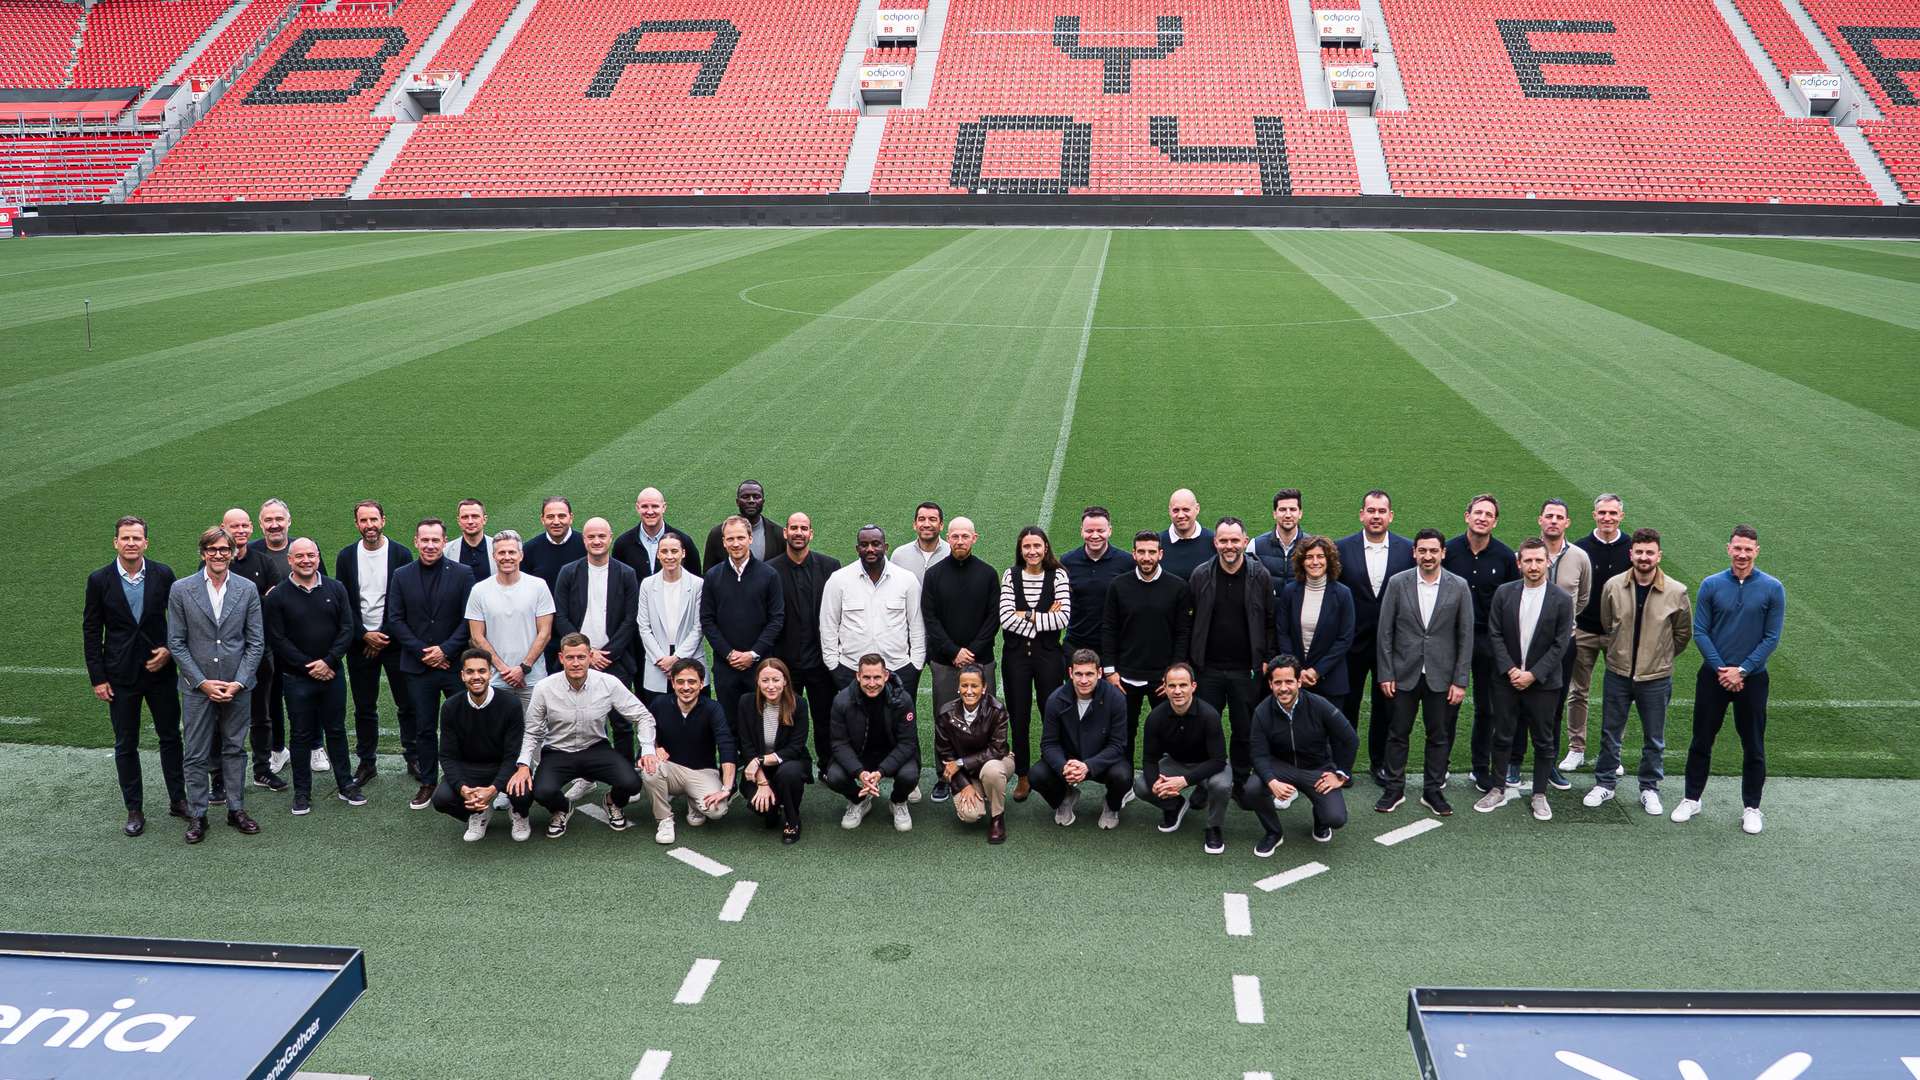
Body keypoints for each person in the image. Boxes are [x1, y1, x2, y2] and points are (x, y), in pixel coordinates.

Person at [1675, 525, 1783, 835]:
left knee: (1754, 745)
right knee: (1701, 740)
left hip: (1753, 680)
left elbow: (1771, 637)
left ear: (1756, 551)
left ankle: (1752, 807)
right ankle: (1691, 799)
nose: (1742, 554)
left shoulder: (1773, 588)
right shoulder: (1711, 585)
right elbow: (1700, 632)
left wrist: (1743, 670)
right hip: (1714, 678)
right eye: (1738, 548)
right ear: (1728, 549)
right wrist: (1722, 669)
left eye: (1748, 549)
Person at [84, 515, 184, 836]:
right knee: (126, 743)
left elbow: (179, 619)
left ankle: (178, 799)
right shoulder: (99, 580)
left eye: (136, 538)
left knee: (171, 738)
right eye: (125, 538)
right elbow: (91, 630)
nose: (131, 543)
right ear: (116, 542)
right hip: (120, 676)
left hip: (160, 673)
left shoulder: (163, 574)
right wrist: (98, 678)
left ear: (146, 543)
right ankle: (134, 808)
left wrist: (169, 649)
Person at [167, 525, 266, 843]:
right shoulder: (181, 589)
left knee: (235, 749)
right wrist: (201, 682)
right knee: (195, 753)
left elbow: (256, 642)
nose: (219, 555)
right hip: (198, 689)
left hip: (238, 687)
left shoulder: (247, 589)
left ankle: (236, 809)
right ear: (203, 553)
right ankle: (198, 814)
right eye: (212, 549)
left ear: (233, 553)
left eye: (224, 549)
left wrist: (239, 682)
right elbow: (176, 642)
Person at [1583, 528, 1691, 816]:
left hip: (1655, 677)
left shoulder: (1676, 591)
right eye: (1639, 552)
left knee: (1654, 738)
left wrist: (1660, 657)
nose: (1644, 557)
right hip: (1618, 673)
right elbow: (1608, 623)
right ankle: (1605, 783)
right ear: (1631, 554)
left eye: (1649, 552)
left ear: (1659, 555)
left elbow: (1682, 634)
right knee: (1610, 733)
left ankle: (1649, 788)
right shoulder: (1613, 585)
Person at [508, 634, 655, 839]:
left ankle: (612, 802)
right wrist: (523, 764)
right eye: (570, 657)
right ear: (561, 658)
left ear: (590, 657)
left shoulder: (608, 682)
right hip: (558, 751)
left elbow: (643, 716)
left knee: (632, 783)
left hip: (595, 747)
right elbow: (532, 730)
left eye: (581, 657)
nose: (576, 663)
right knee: (542, 792)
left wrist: (648, 749)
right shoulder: (544, 687)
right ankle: (562, 808)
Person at [1375, 528, 1472, 816]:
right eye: (1422, 551)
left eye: (1433, 551)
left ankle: (1433, 791)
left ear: (1443, 553)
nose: (1427, 556)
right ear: (1414, 552)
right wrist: (1386, 673)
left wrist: (1460, 680)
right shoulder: (1398, 583)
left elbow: (1465, 636)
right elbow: (1385, 632)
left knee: (1439, 736)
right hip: (1403, 674)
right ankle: (1394, 789)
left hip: (1442, 677)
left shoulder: (1459, 586)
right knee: (1397, 734)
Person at [262, 538, 363, 815]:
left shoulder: (336, 588)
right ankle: (302, 793)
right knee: (301, 734)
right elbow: (278, 639)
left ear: (318, 557)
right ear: (290, 560)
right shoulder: (278, 596)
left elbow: (346, 628)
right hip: (297, 679)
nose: (306, 560)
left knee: (336, 730)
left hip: (332, 675)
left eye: (311, 555)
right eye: (300, 556)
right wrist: (309, 666)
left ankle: (346, 784)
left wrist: (329, 661)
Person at [1475, 539, 1574, 820]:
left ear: (1547, 563)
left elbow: (1560, 644)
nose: (1533, 566)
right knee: (1502, 735)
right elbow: (1494, 633)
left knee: (1543, 740)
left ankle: (1540, 794)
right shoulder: (1504, 593)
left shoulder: (1562, 599)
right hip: (1506, 680)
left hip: (1543, 684)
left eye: (1538, 560)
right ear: (1519, 563)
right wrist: (1511, 670)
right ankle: (1497, 788)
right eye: (1528, 561)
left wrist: (1533, 674)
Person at [388, 517, 476, 811]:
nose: (429, 545)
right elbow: (395, 619)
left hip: (453, 665)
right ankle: (428, 782)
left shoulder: (463, 573)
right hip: (418, 667)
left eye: (435, 540)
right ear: (416, 541)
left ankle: (465, 780)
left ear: (444, 542)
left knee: (463, 725)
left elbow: (469, 618)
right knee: (424, 728)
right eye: (424, 540)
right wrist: (423, 651)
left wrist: (445, 650)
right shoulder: (401, 575)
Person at [1188, 517, 1276, 795]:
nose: (1229, 546)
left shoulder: (1260, 575)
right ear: (1215, 542)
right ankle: (1204, 783)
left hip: (1245, 670)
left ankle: (1239, 781)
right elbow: (1189, 622)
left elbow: (1270, 621)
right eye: (1223, 540)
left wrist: (1266, 658)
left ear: (1245, 542)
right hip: (1207, 669)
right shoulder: (1200, 575)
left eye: (1235, 540)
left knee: (1244, 729)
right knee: (1205, 728)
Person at [333, 499, 414, 788]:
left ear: (383, 520)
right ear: (357, 524)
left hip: (394, 642)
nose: (370, 525)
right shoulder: (346, 556)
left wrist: (383, 634)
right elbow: (343, 602)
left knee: (406, 703)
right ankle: (367, 762)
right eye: (364, 520)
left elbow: (404, 600)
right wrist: (364, 634)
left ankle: (413, 756)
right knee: (364, 706)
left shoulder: (401, 554)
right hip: (360, 644)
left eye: (374, 519)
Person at [1335, 490, 1414, 783]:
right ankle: (1343, 765)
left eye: (1382, 511)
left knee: (1386, 707)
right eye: (1371, 511)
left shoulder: (1408, 550)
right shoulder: (1342, 549)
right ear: (1361, 515)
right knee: (1347, 706)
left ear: (1391, 516)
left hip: (1391, 646)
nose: (1376, 516)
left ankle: (1380, 763)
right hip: (1352, 644)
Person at [1443, 493, 1519, 793]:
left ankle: (1479, 768)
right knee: (1447, 704)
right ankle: (1441, 766)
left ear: (1495, 522)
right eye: (1478, 512)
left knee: (1487, 708)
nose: (1482, 518)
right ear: (1467, 516)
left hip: (1489, 640)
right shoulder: (1448, 551)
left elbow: (1512, 601)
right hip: (1452, 638)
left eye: (1489, 514)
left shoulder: (1505, 556)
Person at [1243, 657, 1357, 855]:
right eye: (1278, 682)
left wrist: (1341, 774)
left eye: (1289, 681)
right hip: (1281, 767)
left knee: (1335, 818)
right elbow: (1258, 754)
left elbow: (1350, 739)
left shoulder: (1319, 705)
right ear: (1270, 684)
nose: (1283, 688)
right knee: (1252, 787)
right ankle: (1274, 833)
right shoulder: (1262, 712)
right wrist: (1271, 782)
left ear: (1299, 682)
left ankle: (1321, 822)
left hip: (1316, 768)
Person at [1101, 530, 1193, 763]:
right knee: (1124, 733)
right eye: (1141, 552)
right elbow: (1109, 629)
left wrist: (1172, 675)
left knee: (1166, 732)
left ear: (1161, 554)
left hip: (1162, 679)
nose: (1146, 557)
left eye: (1152, 552)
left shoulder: (1178, 587)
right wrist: (1110, 672)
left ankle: (1163, 777)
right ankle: (1124, 778)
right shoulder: (1118, 585)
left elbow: (1183, 633)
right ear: (1133, 554)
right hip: (1124, 678)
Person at [552, 517, 641, 758]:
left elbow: (630, 619)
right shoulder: (569, 572)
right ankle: (583, 773)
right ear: (584, 540)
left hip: (616, 660)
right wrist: (587, 654)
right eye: (591, 537)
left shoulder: (626, 573)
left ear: (610, 538)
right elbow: (560, 616)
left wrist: (607, 654)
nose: (597, 541)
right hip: (578, 660)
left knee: (621, 722)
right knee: (578, 722)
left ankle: (624, 772)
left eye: (601, 536)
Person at [922, 517, 998, 794]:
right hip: (945, 662)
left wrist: (972, 651)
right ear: (948, 538)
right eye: (955, 536)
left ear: (974, 538)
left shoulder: (988, 574)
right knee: (945, 720)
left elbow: (993, 618)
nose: (960, 541)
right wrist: (953, 651)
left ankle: (981, 774)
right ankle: (945, 777)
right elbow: (930, 618)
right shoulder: (934, 575)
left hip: (981, 661)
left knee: (985, 718)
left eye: (965, 536)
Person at [998, 526, 1071, 799]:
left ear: (1045, 548)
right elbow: (1005, 618)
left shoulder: (1058, 575)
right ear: (1020, 549)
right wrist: (1041, 616)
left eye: (1037, 546)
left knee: (1051, 712)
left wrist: (1026, 615)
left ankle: (1053, 769)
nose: (1032, 551)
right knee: (1018, 716)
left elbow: (1063, 618)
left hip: (1049, 655)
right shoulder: (1011, 575)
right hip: (1016, 656)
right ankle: (1023, 775)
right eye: (1027, 546)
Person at [432, 649, 532, 842]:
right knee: (441, 799)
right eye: (470, 672)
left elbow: (513, 754)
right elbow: (447, 755)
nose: (476, 677)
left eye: (482, 671)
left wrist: (493, 789)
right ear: (462, 675)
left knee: (523, 792)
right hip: (470, 768)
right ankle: (478, 812)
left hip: (504, 765)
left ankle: (519, 813)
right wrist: (463, 788)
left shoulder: (510, 704)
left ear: (490, 673)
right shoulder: (451, 707)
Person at [220, 507, 285, 792]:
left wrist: (245, 601)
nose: (240, 531)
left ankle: (262, 770)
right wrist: (257, 599)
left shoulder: (263, 561)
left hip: (260, 649)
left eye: (244, 526)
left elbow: (275, 605)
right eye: (234, 526)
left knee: (262, 714)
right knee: (221, 716)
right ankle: (219, 778)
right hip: (224, 652)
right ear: (224, 528)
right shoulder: (215, 561)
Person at [1527, 498, 1590, 791]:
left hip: (1564, 644)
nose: (1553, 521)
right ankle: (1513, 762)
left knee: (1554, 705)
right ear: (1540, 520)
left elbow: (1583, 597)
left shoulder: (1580, 557)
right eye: (1549, 516)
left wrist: (1564, 624)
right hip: (1528, 643)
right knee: (1519, 704)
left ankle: (1548, 763)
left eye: (1559, 517)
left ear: (1567, 523)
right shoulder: (1527, 553)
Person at [769, 512, 841, 770]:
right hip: (785, 662)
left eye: (803, 528)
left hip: (821, 660)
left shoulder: (830, 567)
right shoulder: (770, 570)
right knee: (784, 717)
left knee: (825, 717)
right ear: (785, 533)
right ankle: (788, 766)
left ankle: (828, 765)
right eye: (794, 528)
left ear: (811, 533)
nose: (798, 533)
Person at [1134, 663, 1230, 853]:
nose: (1177, 691)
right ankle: (1175, 805)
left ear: (1193, 686)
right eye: (1172, 686)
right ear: (1165, 687)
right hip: (1176, 763)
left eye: (1183, 685)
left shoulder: (1209, 715)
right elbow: (1150, 759)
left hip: (1209, 764)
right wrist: (1156, 784)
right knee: (1142, 786)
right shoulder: (1155, 717)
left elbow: (1219, 760)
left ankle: (1214, 827)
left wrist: (1184, 781)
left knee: (1221, 785)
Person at [1565, 494, 1631, 773]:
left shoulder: (1632, 548)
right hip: (1584, 630)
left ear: (1621, 516)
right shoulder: (1579, 548)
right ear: (1594, 515)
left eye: (1613, 513)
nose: (1607, 518)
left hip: (1619, 634)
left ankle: (1613, 753)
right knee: (1578, 691)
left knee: (1618, 695)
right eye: (1602, 512)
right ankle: (1576, 748)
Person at [820, 525, 925, 700]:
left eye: (876, 544)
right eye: (864, 545)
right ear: (857, 549)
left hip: (898, 669)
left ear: (886, 547)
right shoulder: (838, 580)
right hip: (851, 670)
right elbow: (828, 626)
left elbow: (917, 626)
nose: (870, 549)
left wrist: (915, 666)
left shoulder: (907, 580)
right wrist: (834, 666)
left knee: (897, 718)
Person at [641, 658, 737, 845]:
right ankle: (664, 820)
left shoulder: (713, 708)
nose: (686, 687)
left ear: (701, 684)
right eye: (680, 682)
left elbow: (726, 745)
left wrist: (726, 788)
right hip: (671, 770)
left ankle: (694, 801)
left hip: (703, 772)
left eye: (692, 682)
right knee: (650, 769)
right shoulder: (660, 703)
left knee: (716, 811)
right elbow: (648, 734)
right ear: (673, 683)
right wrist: (654, 749)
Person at [1032, 650, 1131, 829]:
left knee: (1123, 776)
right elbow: (1049, 744)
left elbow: (1117, 745)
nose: (1083, 680)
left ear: (1099, 673)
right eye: (1078, 674)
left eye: (1089, 674)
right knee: (1037, 775)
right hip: (1069, 761)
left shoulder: (1116, 698)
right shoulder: (1055, 699)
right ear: (1070, 673)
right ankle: (1065, 797)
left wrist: (1088, 766)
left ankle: (1111, 805)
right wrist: (1064, 766)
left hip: (1101, 761)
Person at [701, 515, 785, 723]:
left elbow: (776, 619)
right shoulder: (712, 576)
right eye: (730, 539)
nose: (736, 543)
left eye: (740, 538)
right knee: (729, 723)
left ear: (750, 538)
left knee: (761, 722)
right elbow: (707, 620)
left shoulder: (769, 575)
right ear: (723, 542)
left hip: (760, 666)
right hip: (725, 667)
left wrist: (753, 653)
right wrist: (729, 654)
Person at [825, 654, 920, 831]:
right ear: (858, 676)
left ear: (886, 676)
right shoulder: (842, 701)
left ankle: (898, 801)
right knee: (834, 777)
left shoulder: (902, 699)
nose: (872, 683)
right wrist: (859, 772)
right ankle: (859, 800)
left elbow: (907, 743)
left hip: (891, 754)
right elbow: (839, 743)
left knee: (909, 775)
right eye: (866, 677)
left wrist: (882, 771)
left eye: (877, 677)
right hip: (859, 755)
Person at [464, 530, 555, 711]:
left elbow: (545, 633)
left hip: (533, 679)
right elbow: (477, 636)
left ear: (521, 555)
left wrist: (523, 668)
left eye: (512, 552)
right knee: (497, 728)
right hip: (495, 680)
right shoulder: (479, 591)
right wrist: (504, 670)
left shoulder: (539, 586)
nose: (507, 557)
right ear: (494, 556)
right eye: (501, 553)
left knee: (535, 728)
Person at [1275, 536, 1355, 731]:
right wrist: (1297, 669)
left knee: (1329, 734)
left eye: (1320, 556)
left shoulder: (1343, 594)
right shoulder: (1290, 592)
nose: (1315, 562)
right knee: (1298, 733)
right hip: (1296, 680)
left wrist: (1317, 671)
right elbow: (1282, 633)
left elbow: (1344, 639)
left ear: (1329, 560)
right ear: (1302, 561)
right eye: (1309, 557)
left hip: (1331, 679)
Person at [732, 658, 811, 844]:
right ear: (758, 682)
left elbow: (795, 748)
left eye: (776, 680)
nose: (771, 686)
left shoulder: (799, 704)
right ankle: (774, 809)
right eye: (765, 680)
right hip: (759, 769)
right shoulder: (746, 702)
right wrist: (762, 782)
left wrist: (760, 760)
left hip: (789, 763)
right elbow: (746, 745)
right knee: (762, 809)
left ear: (785, 681)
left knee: (788, 774)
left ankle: (792, 820)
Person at [933, 664, 1014, 844]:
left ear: (984, 688)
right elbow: (945, 755)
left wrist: (961, 763)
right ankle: (983, 789)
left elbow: (997, 749)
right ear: (958, 687)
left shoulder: (997, 709)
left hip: (998, 761)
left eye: (974, 686)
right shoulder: (946, 713)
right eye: (964, 685)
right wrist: (964, 785)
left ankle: (997, 817)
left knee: (992, 771)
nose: (969, 691)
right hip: (966, 772)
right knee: (970, 814)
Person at [252, 498, 293, 775]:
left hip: (300, 638)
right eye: (269, 520)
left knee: (305, 693)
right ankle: (278, 748)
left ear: (289, 521)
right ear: (261, 524)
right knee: (271, 697)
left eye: (279, 519)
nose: (274, 524)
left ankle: (315, 745)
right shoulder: (252, 551)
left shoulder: (303, 547)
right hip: (265, 641)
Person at [636, 532, 704, 696]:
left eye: (674, 551)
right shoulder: (647, 585)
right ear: (658, 555)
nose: (669, 556)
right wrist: (662, 659)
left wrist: (677, 658)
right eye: (664, 552)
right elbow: (643, 626)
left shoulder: (697, 584)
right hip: (658, 664)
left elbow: (699, 627)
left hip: (690, 659)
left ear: (683, 553)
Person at [1060, 505, 1134, 656]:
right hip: (1075, 645)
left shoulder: (1126, 562)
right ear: (1081, 531)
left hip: (1113, 646)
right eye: (1089, 531)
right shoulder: (1067, 561)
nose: (1095, 536)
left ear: (1110, 531)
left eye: (1100, 530)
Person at [613, 487, 701, 580]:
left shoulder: (684, 542)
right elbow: (617, 580)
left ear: (664, 507)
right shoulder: (623, 544)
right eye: (644, 506)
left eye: (655, 506)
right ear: (637, 508)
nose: (650, 512)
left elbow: (695, 579)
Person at [1248, 488, 1305, 605]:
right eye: (1282, 509)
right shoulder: (1255, 546)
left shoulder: (1311, 546)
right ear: (1274, 514)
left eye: (1293, 509)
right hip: (1268, 614)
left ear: (1300, 513)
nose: (1288, 515)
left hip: (1300, 614)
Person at [704, 480, 779, 568]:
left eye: (756, 497)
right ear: (737, 502)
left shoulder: (778, 534)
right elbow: (708, 572)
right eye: (745, 497)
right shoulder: (717, 534)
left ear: (763, 501)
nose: (751, 501)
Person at [520, 496, 585, 588]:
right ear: (542, 519)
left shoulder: (586, 546)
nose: (556, 522)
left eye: (561, 516)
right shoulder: (528, 550)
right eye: (550, 517)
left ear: (571, 518)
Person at [1159, 488, 1215, 581]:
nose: (1181, 515)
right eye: (1176, 510)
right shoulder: (1157, 543)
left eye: (1186, 509)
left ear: (1197, 509)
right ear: (1169, 511)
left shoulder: (1214, 542)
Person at [889, 500, 949, 582]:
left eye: (932, 519)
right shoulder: (899, 556)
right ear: (915, 525)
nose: (926, 524)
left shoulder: (951, 553)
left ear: (941, 525)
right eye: (921, 519)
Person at [450, 498, 496, 584]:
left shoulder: (499, 548)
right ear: (459, 521)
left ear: (484, 519)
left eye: (475, 516)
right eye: (465, 517)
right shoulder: (446, 551)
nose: (470, 521)